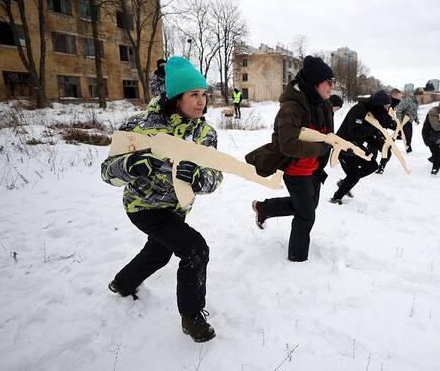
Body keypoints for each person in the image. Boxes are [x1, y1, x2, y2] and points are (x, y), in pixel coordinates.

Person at [101, 56, 222, 342]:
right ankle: (192, 317)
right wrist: (130, 167)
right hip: (143, 206)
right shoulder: (139, 126)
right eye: (194, 94)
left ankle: (122, 284)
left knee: (158, 253)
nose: (201, 101)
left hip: (177, 208)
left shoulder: (204, 133)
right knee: (195, 249)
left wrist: (198, 178)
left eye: (204, 94)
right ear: (176, 96)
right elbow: (108, 172)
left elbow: (215, 178)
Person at [247, 56, 334, 262]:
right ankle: (297, 258)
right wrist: (322, 148)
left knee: (306, 207)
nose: (332, 87)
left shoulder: (324, 105)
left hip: (314, 168)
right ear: (315, 83)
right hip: (295, 169)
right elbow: (288, 145)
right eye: (328, 82)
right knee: (306, 215)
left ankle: (263, 208)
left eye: (333, 82)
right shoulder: (292, 107)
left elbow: (327, 135)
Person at [330, 90, 396, 203]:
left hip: (356, 145)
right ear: (379, 104)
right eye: (385, 106)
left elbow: (367, 135)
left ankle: (345, 183)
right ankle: (336, 198)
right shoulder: (359, 110)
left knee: (372, 165)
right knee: (354, 175)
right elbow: (355, 131)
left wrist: (381, 145)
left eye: (388, 106)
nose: (387, 109)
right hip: (344, 146)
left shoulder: (372, 112)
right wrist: (376, 129)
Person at [376, 89, 402, 174]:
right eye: (399, 97)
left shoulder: (393, 106)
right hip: (375, 131)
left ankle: (380, 168)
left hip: (382, 132)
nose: (400, 100)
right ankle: (367, 166)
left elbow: (390, 120)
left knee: (387, 151)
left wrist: (397, 127)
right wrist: (394, 125)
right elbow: (384, 120)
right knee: (371, 152)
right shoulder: (387, 104)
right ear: (394, 96)